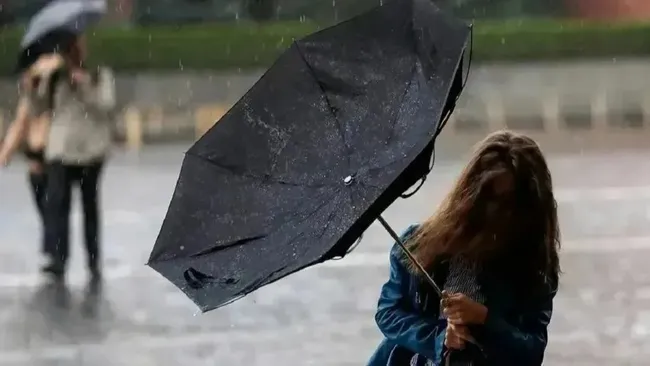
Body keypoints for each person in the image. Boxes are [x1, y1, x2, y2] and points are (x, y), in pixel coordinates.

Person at [367, 130, 561, 366]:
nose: (498, 212)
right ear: (471, 193)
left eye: (511, 204)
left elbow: (531, 352)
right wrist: (438, 338)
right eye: (490, 198)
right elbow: (389, 312)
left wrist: (484, 319)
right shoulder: (417, 244)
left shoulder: (533, 269)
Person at [25, 34, 114, 280]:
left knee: (90, 208)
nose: (73, 53)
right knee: (58, 207)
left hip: (90, 151)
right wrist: (34, 86)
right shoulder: (53, 76)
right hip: (60, 151)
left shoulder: (99, 74)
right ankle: (58, 258)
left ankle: (93, 259)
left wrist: (84, 84)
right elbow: (38, 108)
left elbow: (106, 105)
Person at [0, 53, 65, 255]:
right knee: (45, 207)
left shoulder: (56, 96)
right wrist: (5, 154)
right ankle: (51, 247)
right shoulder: (29, 101)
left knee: (54, 206)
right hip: (35, 156)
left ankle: (54, 250)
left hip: (53, 154)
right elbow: (18, 126)